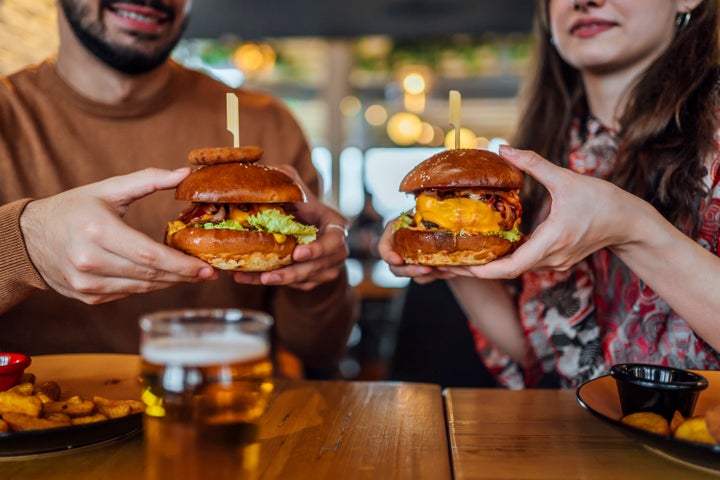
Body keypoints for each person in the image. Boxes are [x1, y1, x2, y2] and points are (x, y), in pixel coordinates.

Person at [0, 0, 356, 373]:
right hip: (42, 417)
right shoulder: (10, 117)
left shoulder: (267, 122)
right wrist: (25, 241)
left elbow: (320, 354)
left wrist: (319, 277)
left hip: (225, 410)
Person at [380, 0, 720, 388]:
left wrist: (632, 227)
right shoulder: (549, 151)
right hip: (570, 437)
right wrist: (451, 258)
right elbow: (536, 355)